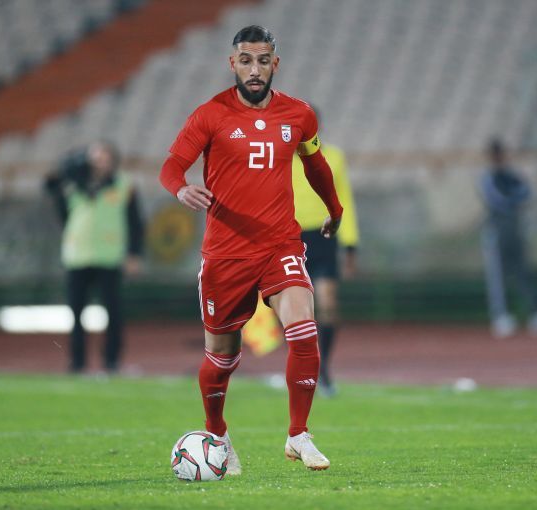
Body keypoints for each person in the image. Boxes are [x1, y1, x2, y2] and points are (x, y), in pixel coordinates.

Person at [158, 25, 343, 473]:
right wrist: (180, 188)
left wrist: (334, 209)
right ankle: (217, 434)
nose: (255, 69)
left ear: (275, 63)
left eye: (262, 61)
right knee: (221, 359)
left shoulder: (299, 114)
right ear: (233, 64)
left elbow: (315, 164)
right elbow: (172, 165)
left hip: (280, 243)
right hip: (226, 253)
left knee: (304, 329)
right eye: (246, 61)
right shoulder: (210, 115)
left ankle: (298, 434)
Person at [44, 140, 144, 373]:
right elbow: (61, 209)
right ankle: (77, 363)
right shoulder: (73, 185)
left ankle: (112, 362)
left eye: (104, 158)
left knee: (113, 311)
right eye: (95, 158)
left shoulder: (124, 185)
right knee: (76, 313)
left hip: (109, 256)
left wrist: (134, 253)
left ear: (113, 161)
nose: (99, 163)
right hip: (77, 256)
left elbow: (135, 221)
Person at [292, 111, 359, 397]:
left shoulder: (334, 157)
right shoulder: (278, 158)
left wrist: (350, 244)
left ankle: (324, 369)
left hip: (324, 237)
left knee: (328, 305)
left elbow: (344, 201)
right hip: (289, 239)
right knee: (297, 312)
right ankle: (303, 369)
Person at [478, 138, 537, 338]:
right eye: (495, 154)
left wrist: (514, 196)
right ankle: (500, 316)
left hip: (514, 227)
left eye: (500, 153)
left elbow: (526, 192)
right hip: (497, 229)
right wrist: (514, 197)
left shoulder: (510, 175)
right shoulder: (487, 177)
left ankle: (536, 313)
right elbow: (498, 199)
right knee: (498, 275)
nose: (498, 157)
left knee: (523, 271)